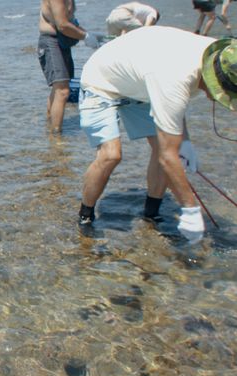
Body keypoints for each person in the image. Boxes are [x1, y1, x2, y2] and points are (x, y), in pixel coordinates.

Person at [77, 26, 236, 244]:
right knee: (111, 155)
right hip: (102, 81)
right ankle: (85, 216)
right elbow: (168, 155)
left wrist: (186, 143)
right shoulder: (175, 76)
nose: (217, 98)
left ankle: (151, 214)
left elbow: (175, 108)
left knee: (166, 147)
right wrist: (190, 209)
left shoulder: (222, 57)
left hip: (143, 84)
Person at [38, 0, 104, 135]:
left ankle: (50, 127)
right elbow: (62, 25)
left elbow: (71, 22)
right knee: (62, 91)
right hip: (51, 42)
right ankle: (56, 137)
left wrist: (91, 34)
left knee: (59, 89)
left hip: (62, 43)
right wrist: (85, 36)